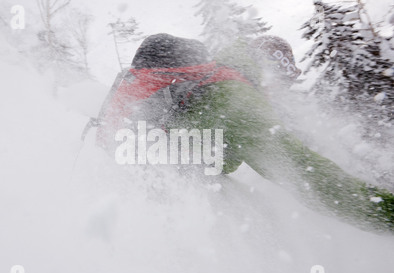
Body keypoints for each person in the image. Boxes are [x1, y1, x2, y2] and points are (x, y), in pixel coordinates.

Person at [91, 33, 394, 231]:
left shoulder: (201, 89)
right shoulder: (232, 97)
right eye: (284, 80)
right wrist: (387, 212)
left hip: (144, 181)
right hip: (173, 190)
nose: (278, 93)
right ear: (270, 67)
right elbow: (307, 176)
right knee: (261, 223)